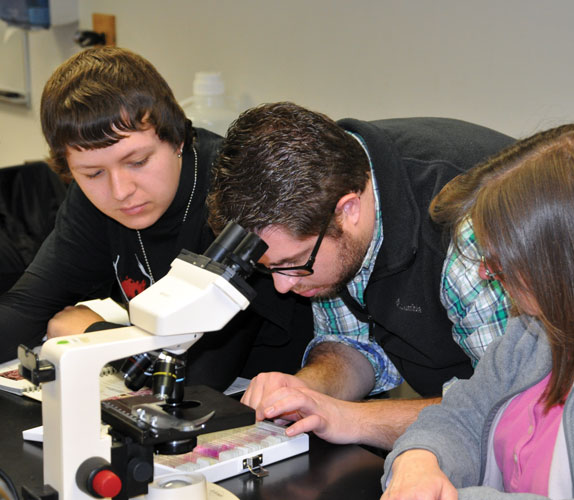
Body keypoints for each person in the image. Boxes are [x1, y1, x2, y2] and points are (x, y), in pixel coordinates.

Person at [381, 124, 574, 499]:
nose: (487, 273)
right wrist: (418, 459)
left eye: (500, 260)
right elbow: (457, 416)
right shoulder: (537, 327)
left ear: (567, 257)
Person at [0, 47, 313, 390]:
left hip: (275, 408)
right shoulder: (93, 201)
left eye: (138, 162)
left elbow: (199, 375)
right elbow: (26, 307)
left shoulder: (239, 195)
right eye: (92, 174)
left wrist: (89, 332)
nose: (120, 191)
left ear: (177, 137)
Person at [207, 101, 513, 448]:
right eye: (269, 268)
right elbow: (352, 342)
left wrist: (349, 418)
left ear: (348, 210)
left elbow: (507, 411)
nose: (282, 285)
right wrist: (308, 389)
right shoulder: (326, 182)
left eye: (294, 263)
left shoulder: (467, 235)